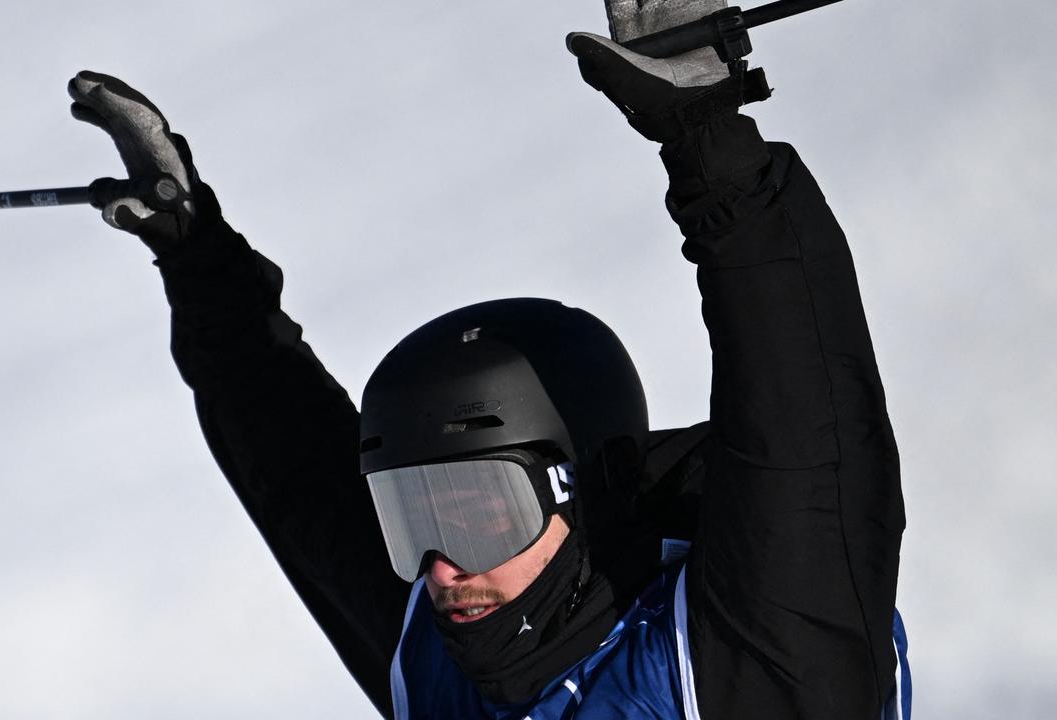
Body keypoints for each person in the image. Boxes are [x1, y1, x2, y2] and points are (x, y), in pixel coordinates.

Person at [70, 0, 911, 717]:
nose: (440, 565)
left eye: (481, 512)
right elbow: (294, 472)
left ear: (580, 494)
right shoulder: (442, 656)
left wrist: (706, 135)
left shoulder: (759, 659)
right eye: (413, 515)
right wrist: (196, 257)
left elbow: (809, 424)